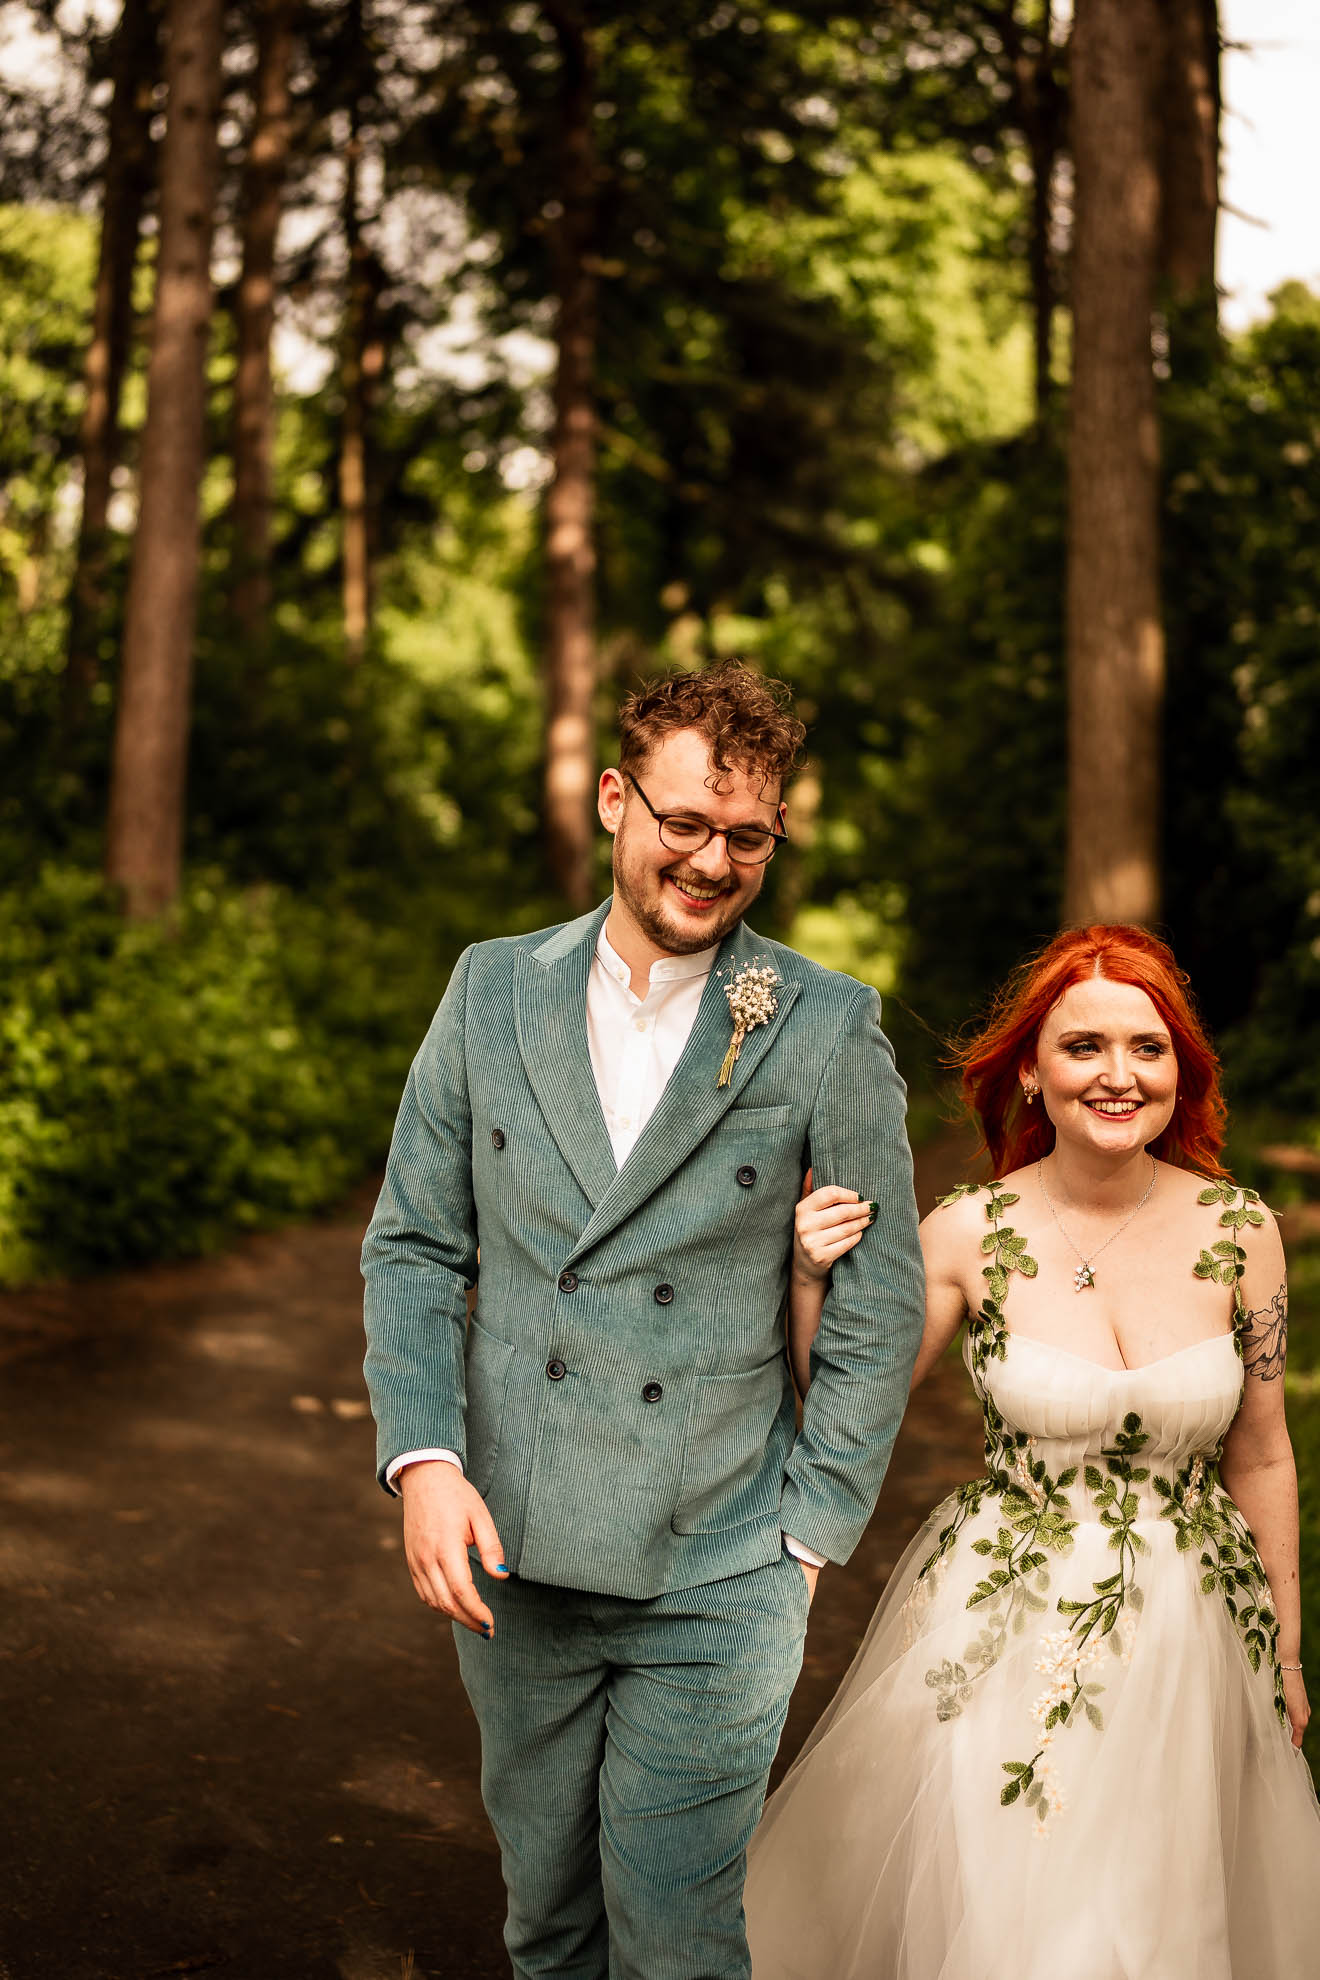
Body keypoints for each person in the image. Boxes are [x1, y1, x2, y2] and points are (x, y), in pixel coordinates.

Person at [361, 660, 925, 1980]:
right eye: (685, 822)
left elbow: (881, 1296)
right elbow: (416, 1246)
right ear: (616, 800)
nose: (713, 862)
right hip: (514, 1550)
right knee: (549, 1927)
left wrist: (807, 1535)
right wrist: (426, 1463)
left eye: (748, 838)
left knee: (679, 1941)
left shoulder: (826, 1024)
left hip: (720, 1564)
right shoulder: (489, 989)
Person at [746, 923, 1320, 1980]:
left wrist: (1284, 1653)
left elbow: (1264, 1457)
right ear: (1029, 1070)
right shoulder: (967, 1232)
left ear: (1181, 1069)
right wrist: (807, 1280)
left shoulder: (1242, 1231)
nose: (1118, 1075)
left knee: (1166, 1908)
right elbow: (848, 1408)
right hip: (1007, 1624)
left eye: (1147, 1048)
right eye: (1083, 1046)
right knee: (1022, 1919)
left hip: (1199, 1632)